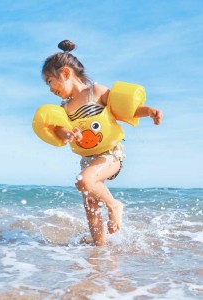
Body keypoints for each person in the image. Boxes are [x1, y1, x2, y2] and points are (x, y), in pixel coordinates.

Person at [41, 40, 163, 246]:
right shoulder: (64, 107)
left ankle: (115, 206)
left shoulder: (95, 92)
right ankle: (99, 253)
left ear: (66, 73)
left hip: (110, 154)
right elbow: (60, 129)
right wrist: (68, 134)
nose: (50, 88)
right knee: (91, 207)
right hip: (87, 159)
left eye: (50, 81)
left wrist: (149, 111)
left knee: (83, 182)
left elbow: (125, 109)